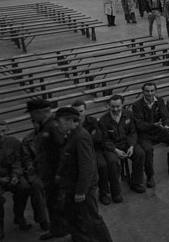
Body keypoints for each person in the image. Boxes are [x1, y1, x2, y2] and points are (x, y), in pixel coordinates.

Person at [53, 107, 114, 242]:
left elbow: (87, 167)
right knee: (73, 217)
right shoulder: (70, 134)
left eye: (59, 121)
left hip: (83, 189)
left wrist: (81, 191)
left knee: (92, 219)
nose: (57, 124)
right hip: (72, 185)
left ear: (70, 121)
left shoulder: (80, 136)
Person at [24, 98, 68, 239]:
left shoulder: (54, 126)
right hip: (48, 175)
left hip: (57, 175)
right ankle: (57, 230)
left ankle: (74, 233)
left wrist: (61, 176)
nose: (30, 116)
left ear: (40, 112)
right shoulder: (44, 125)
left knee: (63, 206)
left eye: (32, 113)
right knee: (52, 205)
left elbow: (64, 152)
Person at [132, 82, 169, 185]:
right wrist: (154, 125)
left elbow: (165, 116)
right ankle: (150, 175)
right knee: (148, 150)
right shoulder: (137, 105)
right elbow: (139, 124)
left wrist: (166, 125)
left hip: (159, 130)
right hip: (145, 134)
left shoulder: (160, 101)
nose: (150, 93)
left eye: (152, 91)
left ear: (155, 91)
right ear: (143, 92)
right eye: (147, 91)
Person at [0, 122, 31, 240]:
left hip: (11, 175)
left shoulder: (14, 142)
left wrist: (15, 175)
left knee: (24, 188)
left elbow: (18, 161)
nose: (0, 134)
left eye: (3, 131)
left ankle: (19, 216)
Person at [97, 95, 146, 193]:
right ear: (108, 106)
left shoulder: (129, 115)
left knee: (140, 153)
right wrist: (115, 150)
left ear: (122, 105)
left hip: (127, 143)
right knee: (113, 162)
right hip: (112, 147)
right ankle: (116, 190)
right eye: (112, 107)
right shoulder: (103, 120)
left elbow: (133, 132)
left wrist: (131, 146)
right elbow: (105, 140)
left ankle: (136, 182)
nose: (115, 109)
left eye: (118, 106)